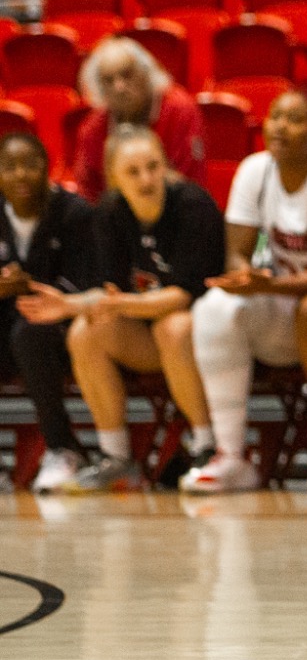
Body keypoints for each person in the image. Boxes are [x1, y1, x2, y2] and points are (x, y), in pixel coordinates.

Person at [181, 89, 307, 494]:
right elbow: (236, 253)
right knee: (213, 307)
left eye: (294, 119)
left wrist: (270, 285)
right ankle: (230, 456)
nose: (280, 127)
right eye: (275, 117)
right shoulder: (254, 170)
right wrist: (243, 280)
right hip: (286, 307)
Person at [32, 128, 226, 493]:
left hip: (204, 338)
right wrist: (69, 305)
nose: (146, 179)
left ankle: (206, 445)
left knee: (174, 326)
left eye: (153, 167)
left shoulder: (192, 205)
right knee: (85, 330)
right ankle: (116, 457)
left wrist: (116, 303)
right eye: (133, 172)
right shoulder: (109, 213)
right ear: (114, 178)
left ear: (167, 167)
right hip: (148, 336)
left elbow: (181, 296)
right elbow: (110, 294)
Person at [0, 131, 98, 492]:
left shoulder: (74, 213)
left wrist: (36, 290)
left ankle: (61, 448)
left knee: (29, 333)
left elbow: (88, 284)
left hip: (63, 328)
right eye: (9, 167)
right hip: (7, 326)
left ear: (48, 167)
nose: (21, 174)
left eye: (30, 164)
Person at [71, 38, 206, 203]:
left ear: (147, 73)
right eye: (108, 80)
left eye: (127, 75)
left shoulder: (180, 110)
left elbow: (189, 185)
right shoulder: (92, 128)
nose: (119, 87)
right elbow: (88, 195)